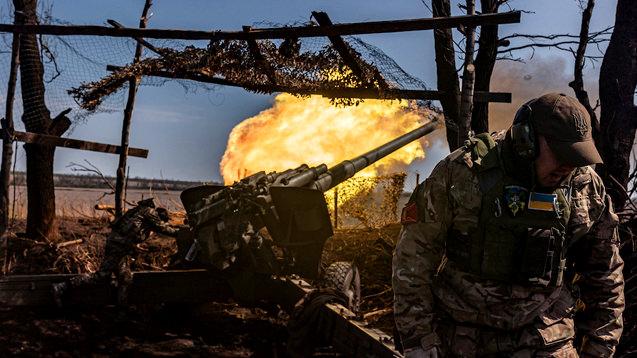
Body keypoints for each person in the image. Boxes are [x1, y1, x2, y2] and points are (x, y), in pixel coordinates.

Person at [392, 93, 624, 357]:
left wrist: (600, 346)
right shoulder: (462, 172)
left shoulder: (584, 185)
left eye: (576, 157)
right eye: (561, 154)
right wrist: (419, 339)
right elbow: (413, 259)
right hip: (462, 333)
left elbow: (606, 273)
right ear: (526, 139)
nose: (567, 166)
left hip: (545, 334)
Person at [53, 198, 179, 305]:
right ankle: (62, 287)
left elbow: (128, 233)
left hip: (120, 247)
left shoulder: (138, 212)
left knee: (125, 278)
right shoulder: (150, 213)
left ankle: (121, 309)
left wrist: (135, 246)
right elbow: (162, 228)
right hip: (117, 247)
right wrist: (179, 233)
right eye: (163, 220)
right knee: (101, 276)